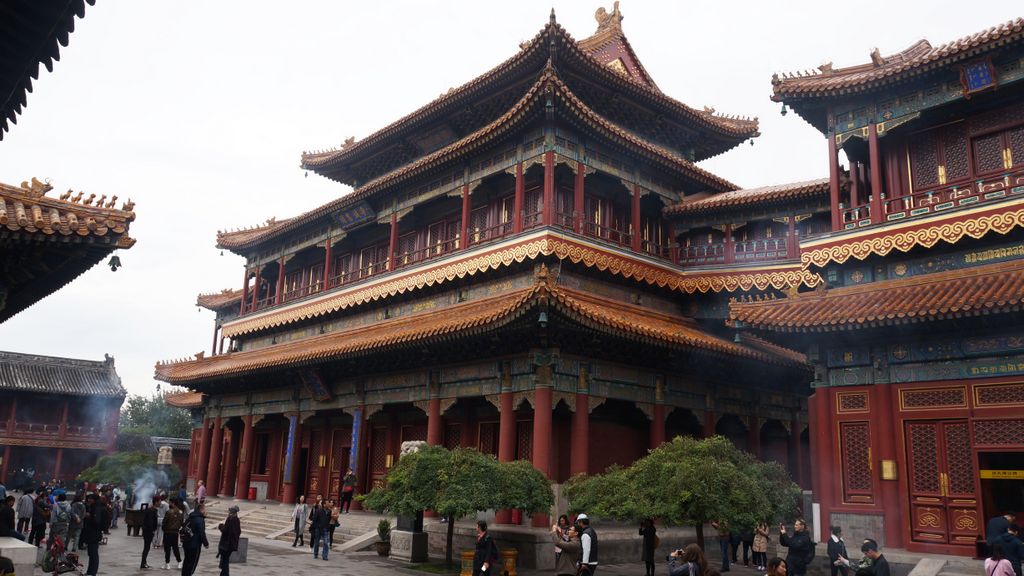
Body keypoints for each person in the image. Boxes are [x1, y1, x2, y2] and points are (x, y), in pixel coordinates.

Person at [180, 501, 209, 576]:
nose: (206, 511)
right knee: (192, 563)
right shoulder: (199, 519)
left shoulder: (191, 516)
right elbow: (201, 532)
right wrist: (205, 543)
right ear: (201, 509)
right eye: (205, 509)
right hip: (194, 544)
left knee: (186, 561)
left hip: (186, 542)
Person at [81, 493, 106, 576]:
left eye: (91, 498)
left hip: (94, 534)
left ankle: (92, 572)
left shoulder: (97, 508)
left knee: (93, 554)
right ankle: (90, 571)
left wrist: (88, 517)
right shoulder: (93, 507)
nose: (89, 500)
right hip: (91, 534)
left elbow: (96, 522)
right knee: (91, 554)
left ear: (94, 499)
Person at [217, 505, 241, 576]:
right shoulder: (237, 520)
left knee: (225, 560)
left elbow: (225, 530)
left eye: (230, 511)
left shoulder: (230, 519)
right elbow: (239, 531)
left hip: (226, 544)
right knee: (225, 559)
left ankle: (225, 574)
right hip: (232, 544)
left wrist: (221, 526)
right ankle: (223, 574)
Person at [162, 498, 184, 570]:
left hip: (168, 532)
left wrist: (164, 528)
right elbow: (181, 522)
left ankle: (167, 563)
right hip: (175, 532)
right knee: (175, 548)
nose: (169, 504)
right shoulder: (181, 512)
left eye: (170, 503)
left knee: (167, 548)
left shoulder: (168, 512)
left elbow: (164, 522)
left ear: (173, 503)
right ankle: (179, 561)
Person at [141, 499, 159, 569]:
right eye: (159, 501)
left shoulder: (150, 510)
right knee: (146, 547)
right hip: (148, 531)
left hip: (146, 531)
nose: (160, 503)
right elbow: (150, 522)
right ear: (156, 502)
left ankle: (144, 562)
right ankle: (143, 563)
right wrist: (152, 530)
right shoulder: (152, 511)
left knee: (146, 547)